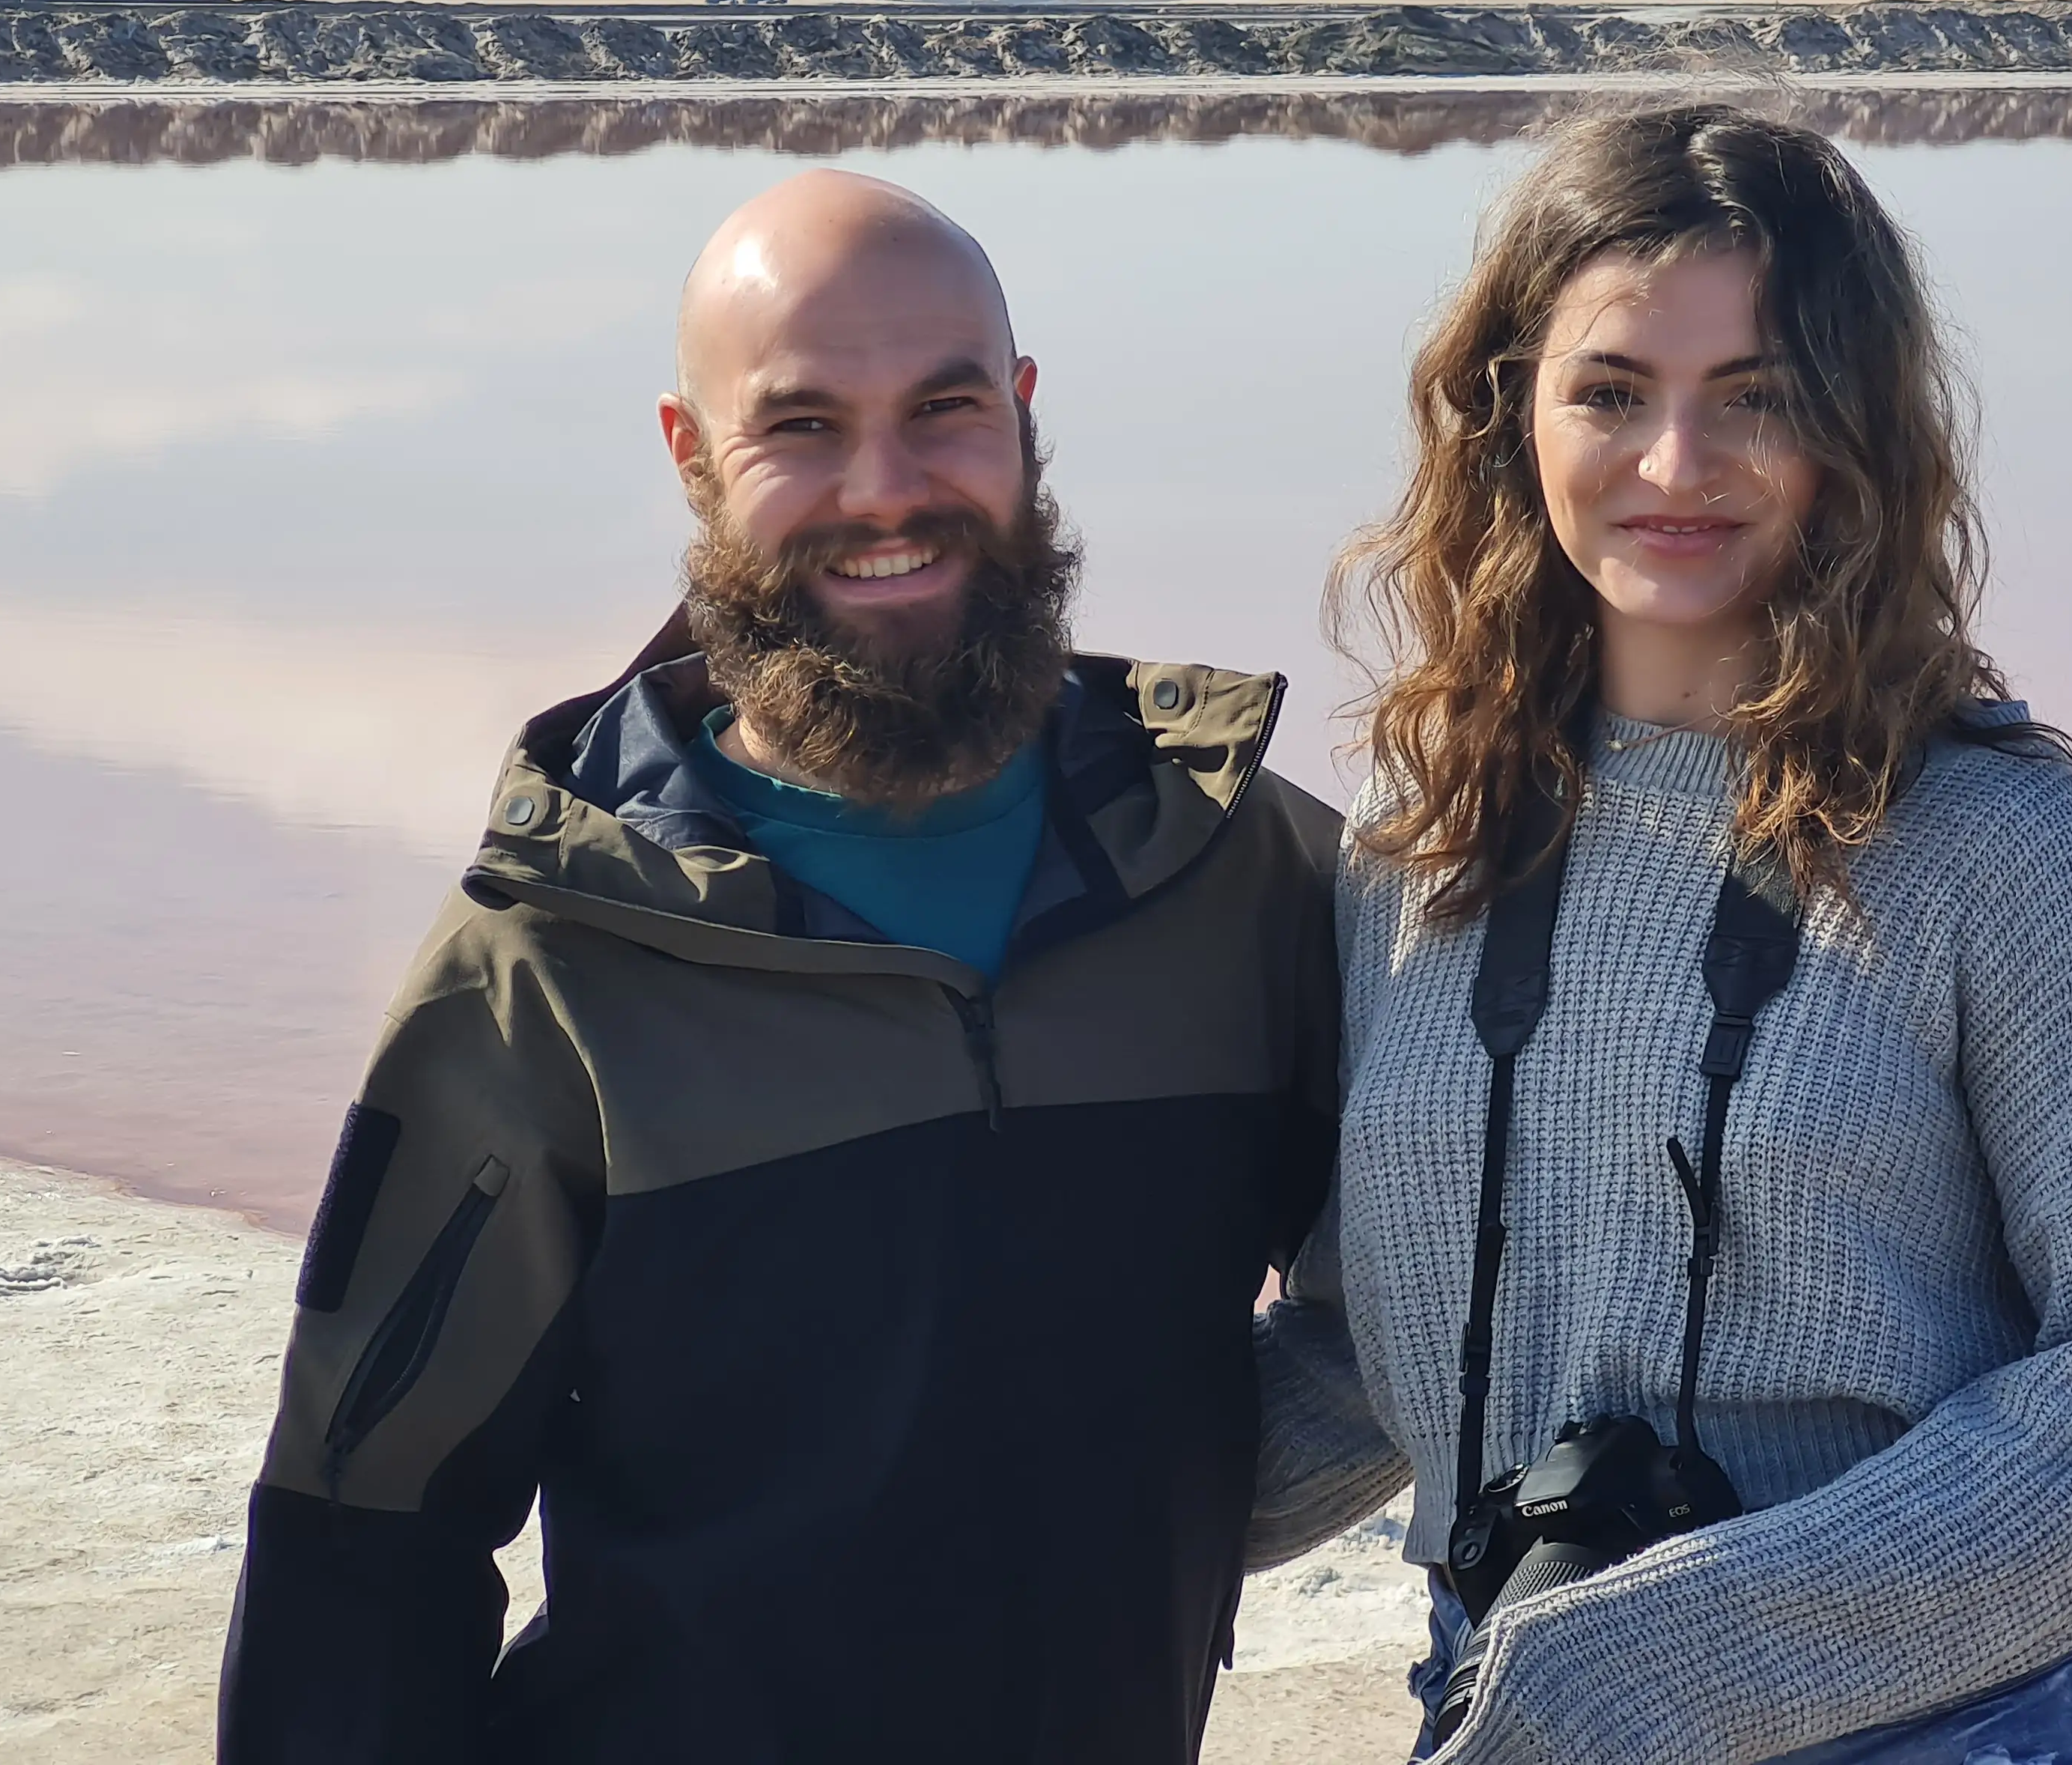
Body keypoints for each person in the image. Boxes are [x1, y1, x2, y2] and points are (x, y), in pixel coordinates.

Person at [220, 169, 1343, 1764]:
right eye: (800, 427)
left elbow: (1466, 1243)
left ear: (1023, 418)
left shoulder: (1240, 872)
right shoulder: (552, 956)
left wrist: (1187, 1496)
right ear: (689, 454)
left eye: (945, 406)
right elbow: (365, 1538)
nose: (885, 491)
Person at [1255, 103, 2072, 1764]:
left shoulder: (1998, 846)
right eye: (1610, 391)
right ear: (1508, 411)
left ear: (1854, 429)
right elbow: (1379, 1347)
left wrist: (1647, 1671)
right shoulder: (1418, 849)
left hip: (1952, 1723)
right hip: (1516, 1692)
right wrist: (1039, 1530)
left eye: (1756, 398)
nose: (1674, 465)